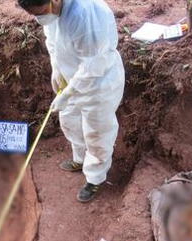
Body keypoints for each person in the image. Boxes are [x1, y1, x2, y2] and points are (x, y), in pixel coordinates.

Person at [18, 0, 125, 202]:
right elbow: (52, 37)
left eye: (40, 12)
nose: (40, 18)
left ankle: (95, 178)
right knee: (69, 120)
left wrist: (69, 92)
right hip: (71, 76)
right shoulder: (52, 11)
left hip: (97, 84)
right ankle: (80, 159)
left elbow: (94, 64)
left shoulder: (84, 15)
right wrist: (56, 67)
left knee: (97, 132)